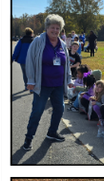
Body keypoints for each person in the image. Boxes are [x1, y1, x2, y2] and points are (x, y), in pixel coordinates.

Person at [20, 14, 71, 150]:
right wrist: (30, 80)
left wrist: (69, 79)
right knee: (37, 111)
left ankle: (52, 132)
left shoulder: (63, 44)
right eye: (53, 27)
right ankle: (28, 138)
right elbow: (30, 60)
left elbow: (66, 64)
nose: (55, 31)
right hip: (42, 84)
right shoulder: (38, 41)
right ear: (47, 28)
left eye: (58, 28)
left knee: (60, 108)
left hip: (58, 85)